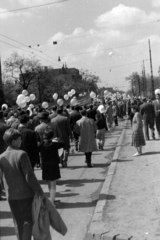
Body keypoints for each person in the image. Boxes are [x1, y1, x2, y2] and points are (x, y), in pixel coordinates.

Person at [0, 128, 44, 240]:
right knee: (27, 221)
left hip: (11, 195)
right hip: (25, 194)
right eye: (20, 139)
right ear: (14, 141)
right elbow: (29, 176)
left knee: (18, 221)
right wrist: (39, 192)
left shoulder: (2, 156)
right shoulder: (21, 154)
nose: (21, 142)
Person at [39, 130, 64, 205]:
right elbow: (63, 143)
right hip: (54, 165)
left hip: (45, 165)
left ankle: (52, 199)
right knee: (53, 183)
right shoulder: (55, 144)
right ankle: (52, 201)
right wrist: (57, 139)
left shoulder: (41, 145)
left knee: (49, 183)